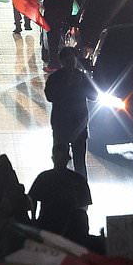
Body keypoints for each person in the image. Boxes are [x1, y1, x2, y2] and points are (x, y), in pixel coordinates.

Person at [44, 48, 95, 176]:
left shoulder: (82, 77)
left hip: (78, 124)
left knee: (79, 162)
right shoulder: (55, 78)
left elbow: (93, 95)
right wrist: (68, 86)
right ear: (62, 62)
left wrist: (83, 85)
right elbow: (49, 96)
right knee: (60, 161)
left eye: (73, 60)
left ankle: (81, 187)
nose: (71, 63)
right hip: (62, 125)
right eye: (68, 61)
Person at [28, 146, 92, 235]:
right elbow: (84, 205)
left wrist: (34, 219)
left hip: (52, 224)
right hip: (62, 225)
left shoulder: (44, 177)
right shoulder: (78, 179)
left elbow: (33, 199)